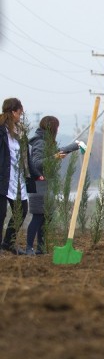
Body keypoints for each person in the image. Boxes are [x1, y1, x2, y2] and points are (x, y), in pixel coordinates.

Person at [25, 116, 82, 255]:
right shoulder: (40, 143)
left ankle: (41, 249)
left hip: (44, 185)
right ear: (53, 128)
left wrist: (75, 146)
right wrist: (55, 157)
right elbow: (36, 163)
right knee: (38, 217)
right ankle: (29, 248)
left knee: (45, 217)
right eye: (57, 127)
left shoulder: (45, 142)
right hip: (38, 184)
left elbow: (55, 152)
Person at [1, 98, 29, 255]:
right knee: (1, 213)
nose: (21, 116)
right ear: (13, 112)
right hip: (2, 177)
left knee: (22, 209)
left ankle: (8, 243)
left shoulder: (20, 131)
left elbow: (24, 155)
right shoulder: (0, 129)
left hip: (17, 178)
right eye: (20, 113)